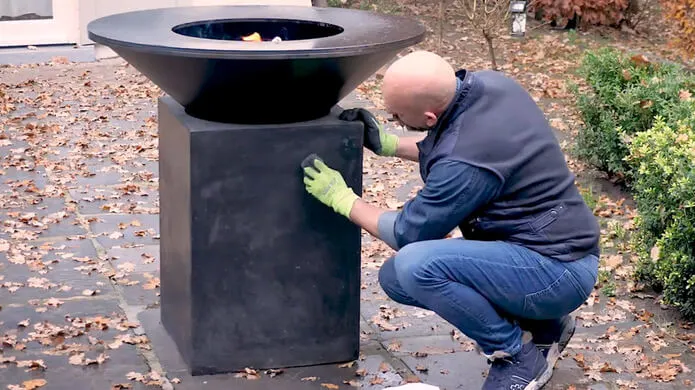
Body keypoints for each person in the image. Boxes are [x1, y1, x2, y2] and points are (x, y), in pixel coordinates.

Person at [300, 50, 600, 390]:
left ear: (430, 117)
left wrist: (344, 199)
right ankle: (547, 325)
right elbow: (452, 140)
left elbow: (407, 234)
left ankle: (514, 354)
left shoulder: (463, 165)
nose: (393, 117)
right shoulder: (492, 86)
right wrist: (389, 144)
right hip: (553, 249)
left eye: (397, 116)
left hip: (556, 271)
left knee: (415, 266)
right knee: (395, 276)